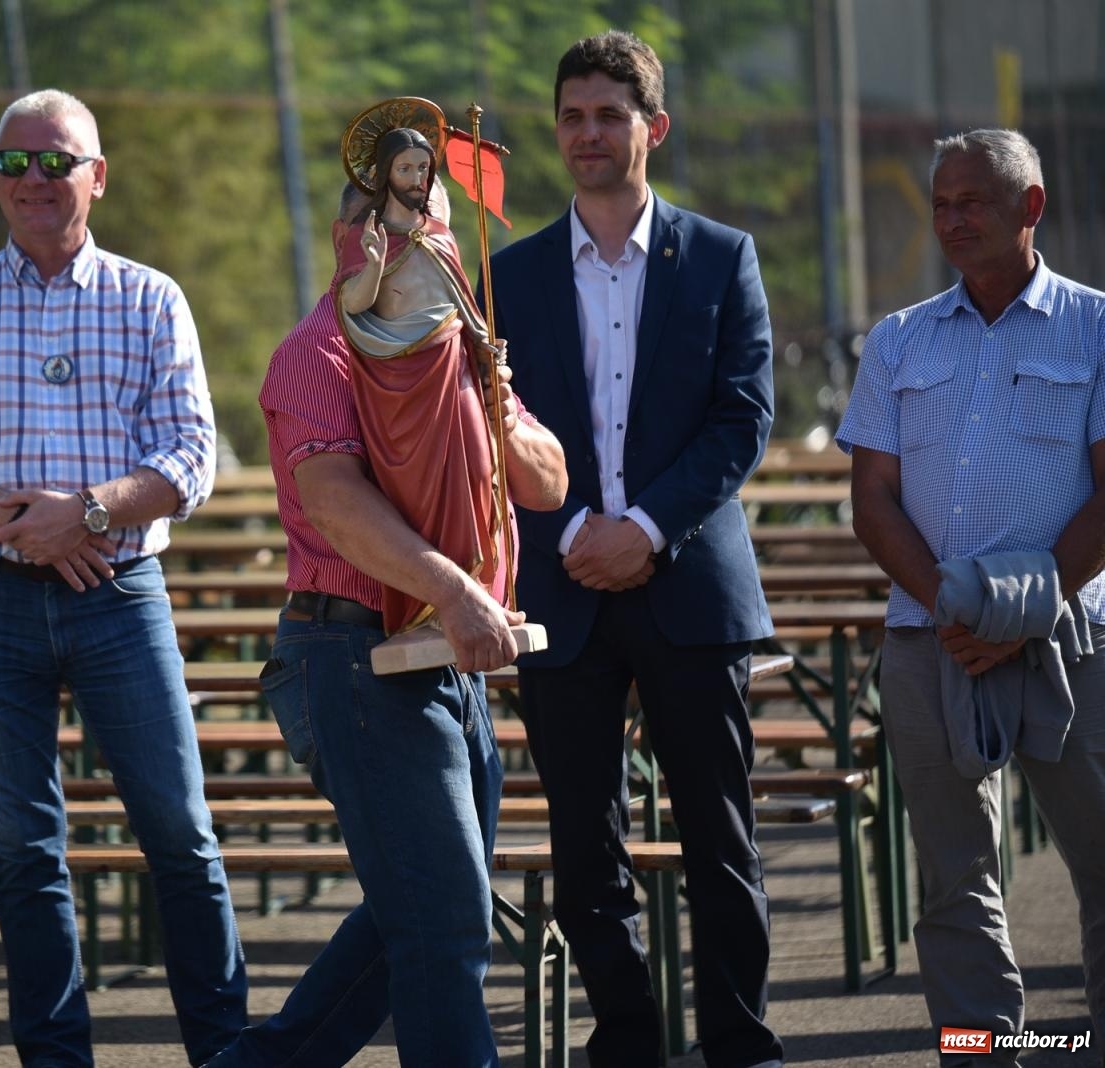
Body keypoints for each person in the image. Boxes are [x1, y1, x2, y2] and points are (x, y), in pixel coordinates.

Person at [0, 89, 245, 1067]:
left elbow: (191, 458)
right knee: (26, 851)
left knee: (181, 836)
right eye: (14, 163)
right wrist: (29, 526)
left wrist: (82, 514)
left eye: (56, 161)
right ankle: (54, 1059)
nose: (34, 179)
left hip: (118, 599)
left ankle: (226, 1054)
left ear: (99, 176)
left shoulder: (151, 298)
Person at [205, 169, 567, 1066]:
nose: (408, 245)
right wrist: (456, 592)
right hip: (356, 651)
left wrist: (498, 405)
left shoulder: (460, 343)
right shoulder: (319, 349)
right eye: (385, 227)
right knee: (443, 921)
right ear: (349, 240)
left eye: (425, 226)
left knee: (420, 912)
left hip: (443, 654)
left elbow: (549, 483)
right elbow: (333, 502)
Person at [486, 30, 784, 1068]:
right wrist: (573, 530)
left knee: (720, 843)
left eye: (609, 115)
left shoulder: (721, 256)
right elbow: (488, 431)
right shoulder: (508, 274)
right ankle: (626, 1044)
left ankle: (740, 1047)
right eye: (571, 116)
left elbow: (742, 418)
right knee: (584, 854)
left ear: (653, 126)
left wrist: (644, 530)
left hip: (688, 586)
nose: (588, 133)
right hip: (563, 589)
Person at [838, 128, 1105, 1062]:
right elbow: (871, 501)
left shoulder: (1096, 326)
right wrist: (959, 610)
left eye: (972, 203)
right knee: (953, 885)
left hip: (1068, 642)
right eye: (941, 204)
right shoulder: (898, 339)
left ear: (1031, 207)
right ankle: (978, 1051)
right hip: (930, 644)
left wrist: (1018, 614)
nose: (951, 220)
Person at [335, 127, 508, 635]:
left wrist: (484, 343)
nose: (416, 178)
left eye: (423, 169)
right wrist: (373, 264)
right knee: (416, 491)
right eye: (405, 168)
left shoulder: (439, 234)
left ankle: (478, 590)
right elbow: (352, 306)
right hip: (400, 378)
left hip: (453, 367)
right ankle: (428, 610)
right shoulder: (369, 236)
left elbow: (460, 298)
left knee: (477, 466)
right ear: (386, 175)